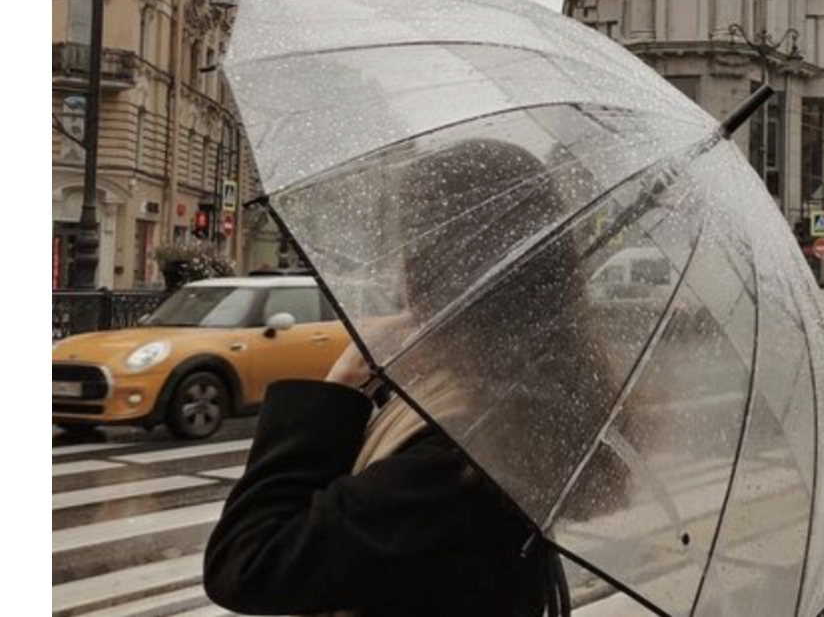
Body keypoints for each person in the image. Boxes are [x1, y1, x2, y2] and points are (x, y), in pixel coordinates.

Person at [203, 139, 622, 617]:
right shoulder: (515, 406)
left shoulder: (457, 457)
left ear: (437, 261)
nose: (393, 265)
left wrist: (340, 385)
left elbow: (250, 564)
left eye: (406, 242)